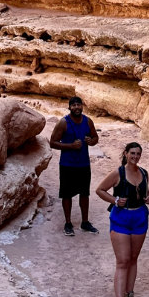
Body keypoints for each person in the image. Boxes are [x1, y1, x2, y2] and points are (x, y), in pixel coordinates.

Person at [96, 141, 149, 297]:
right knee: (123, 261)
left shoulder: (143, 173)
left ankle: (129, 295)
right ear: (126, 154)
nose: (135, 157)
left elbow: (143, 193)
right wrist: (114, 200)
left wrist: (146, 199)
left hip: (139, 217)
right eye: (132, 153)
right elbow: (100, 190)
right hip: (121, 218)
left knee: (133, 259)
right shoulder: (118, 173)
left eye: (138, 154)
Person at [50, 95, 99, 235]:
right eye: (74, 105)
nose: (77, 107)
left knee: (84, 194)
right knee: (67, 195)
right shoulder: (63, 123)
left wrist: (91, 141)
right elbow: (53, 142)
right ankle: (68, 223)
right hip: (67, 165)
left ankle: (85, 222)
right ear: (69, 107)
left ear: (82, 106)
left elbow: (96, 137)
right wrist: (71, 146)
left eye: (79, 105)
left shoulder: (88, 122)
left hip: (84, 164)